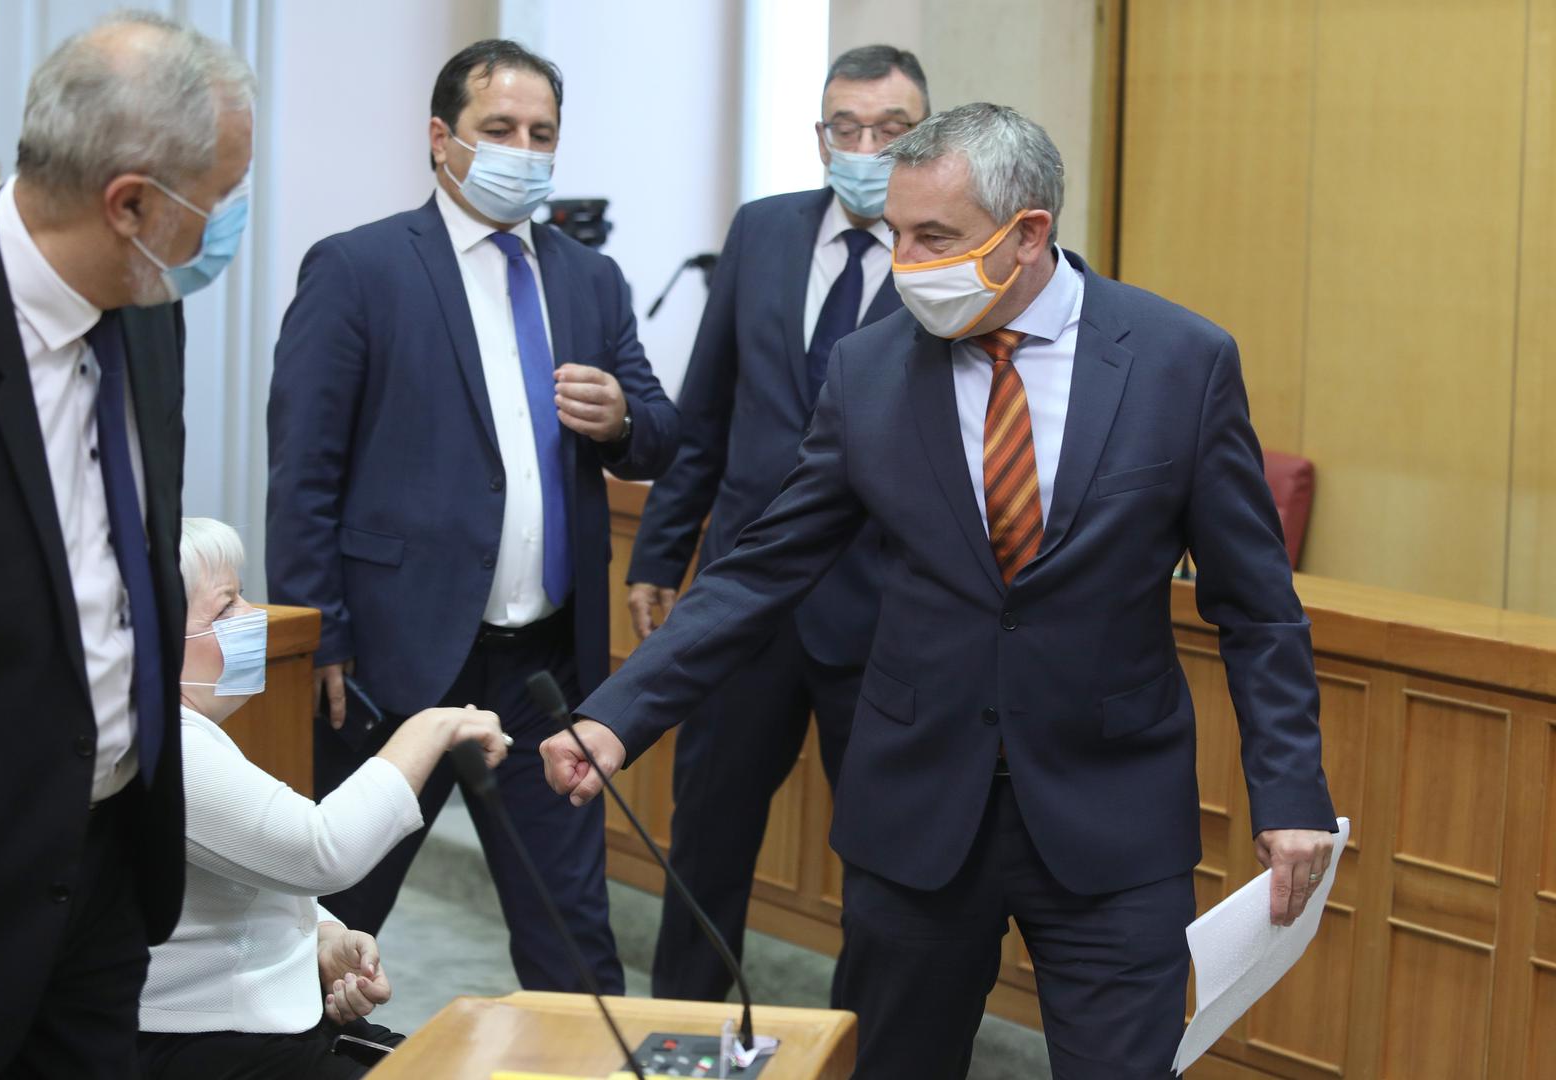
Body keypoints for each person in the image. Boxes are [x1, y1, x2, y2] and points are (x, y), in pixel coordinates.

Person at [542, 104, 1338, 1078]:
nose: (906, 265)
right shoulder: (869, 368)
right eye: (897, 235)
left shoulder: (1180, 361)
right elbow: (762, 565)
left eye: (935, 237)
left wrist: (1289, 792)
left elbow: (1256, 606)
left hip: (1112, 817)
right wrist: (619, 714)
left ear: (1028, 234)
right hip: (916, 812)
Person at [267, 38, 679, 996]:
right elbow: (305, 470)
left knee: (574, 942)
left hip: (544, 672)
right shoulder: (360, 267)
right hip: (391, 662)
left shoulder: (590, 279)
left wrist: (622, 418)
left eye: (542, 133)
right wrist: (324, 633)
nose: (523, 151)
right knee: (332, 922)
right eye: (501, 128)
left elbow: (661, 435)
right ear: (441, 138)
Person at [0, 13, 253, 1077]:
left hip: (110, 866)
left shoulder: (149, 309)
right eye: (219, 200)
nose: (228, 228)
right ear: (130, 205)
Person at [626, 44, 928, 1003]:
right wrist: (660, 553)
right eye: (848, 127)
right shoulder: (762, 230)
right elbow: (707, 408)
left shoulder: (945, 255)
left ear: (925, 137)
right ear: (821, 136)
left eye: (892, 129)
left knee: (882, 859)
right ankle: (683, 1036)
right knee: (706, 834)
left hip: (882, 611)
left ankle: (860, 1046)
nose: (867, 147)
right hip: (745, 599)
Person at [137, 518, 509, 1078]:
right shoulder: (167, 745)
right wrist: (429, 729)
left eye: (243, 595)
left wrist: (324, 938)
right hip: (203, 1045)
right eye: (225, 606)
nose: (252, 615)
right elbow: (319, 851)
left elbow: (241, 872)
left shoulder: (186, 731)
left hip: (266, 1024)